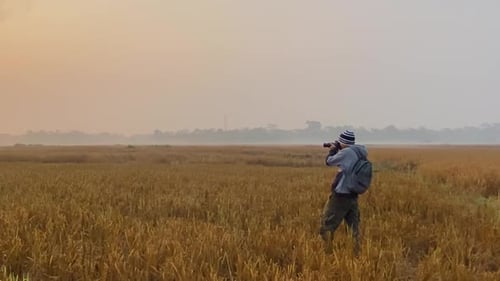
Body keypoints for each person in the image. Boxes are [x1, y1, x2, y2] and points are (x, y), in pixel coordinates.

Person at [319, 130, 368, 255]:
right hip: (353, 194)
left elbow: (329, 161)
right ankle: (355, 254)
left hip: (341, 195)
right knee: (353, 228)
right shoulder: (360, 151)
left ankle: (326, 253)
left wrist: (333, 149)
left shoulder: (346, 152)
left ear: (343, 142)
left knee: (327, 226)